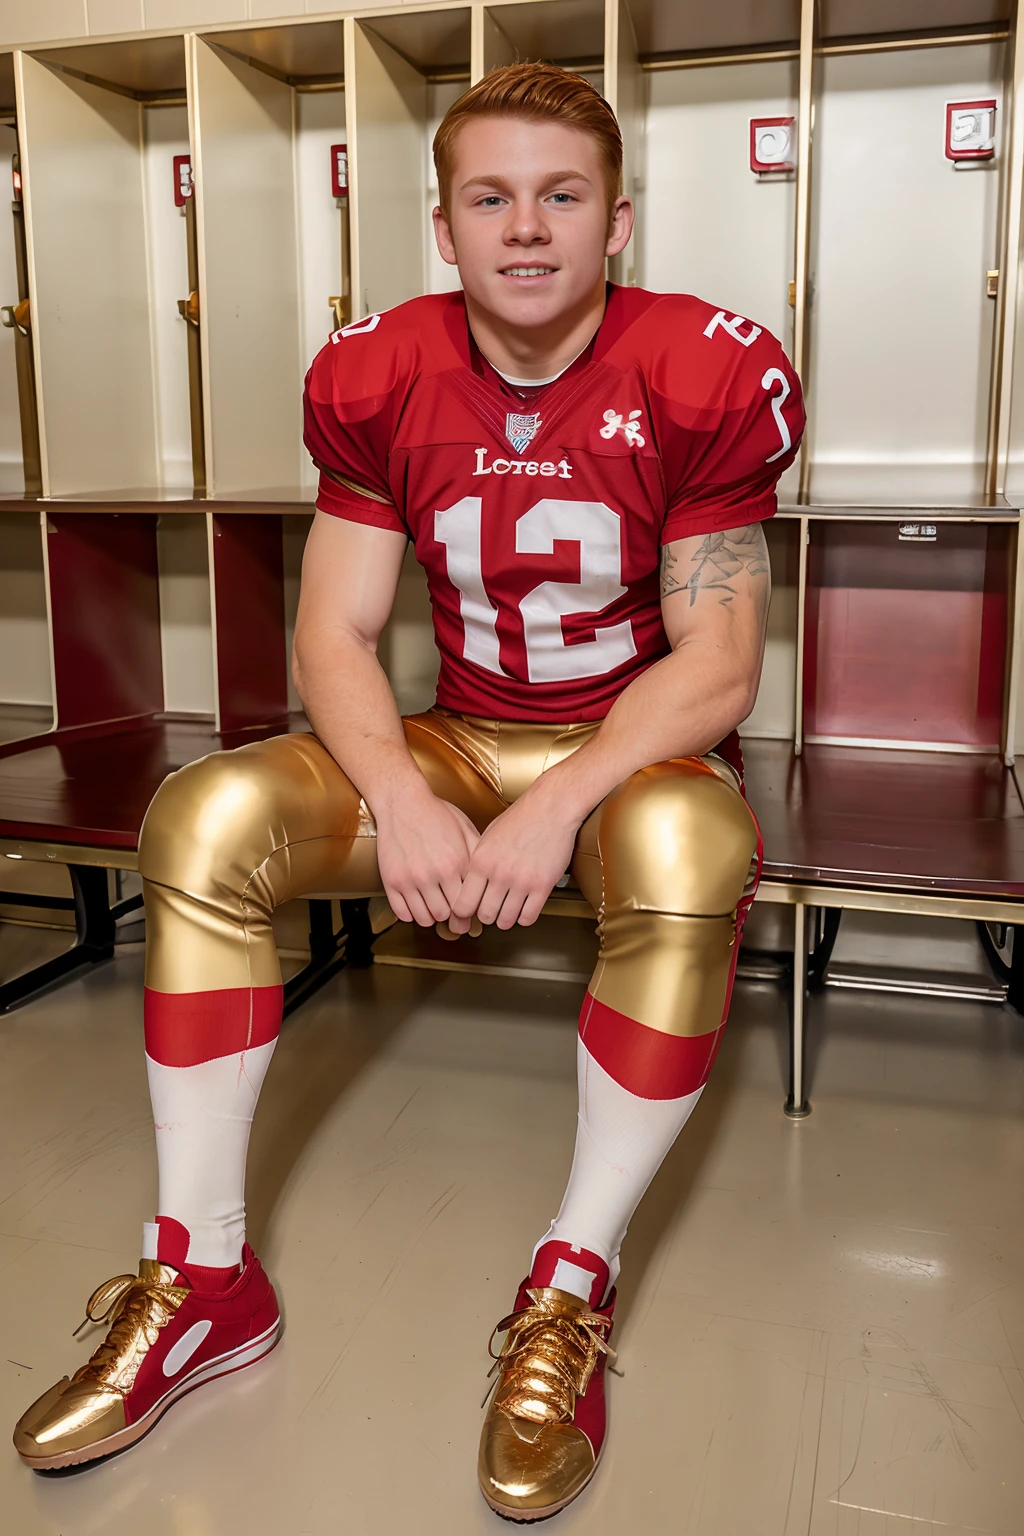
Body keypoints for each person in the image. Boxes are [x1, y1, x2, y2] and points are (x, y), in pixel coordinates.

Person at [13, 62, 803, 1521]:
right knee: (206, 817)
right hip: (459, 733)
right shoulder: (381, 370)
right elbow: (333, 630)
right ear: (443, 228)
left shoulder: (700, 366)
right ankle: (201, 1276)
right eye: (490, 198)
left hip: (632, 752)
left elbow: (720, 662)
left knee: (695, 842)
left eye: (561, 196)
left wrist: (559, 805)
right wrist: (413, 795)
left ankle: (573, 1279)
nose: (526, 228)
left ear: (618, 220)